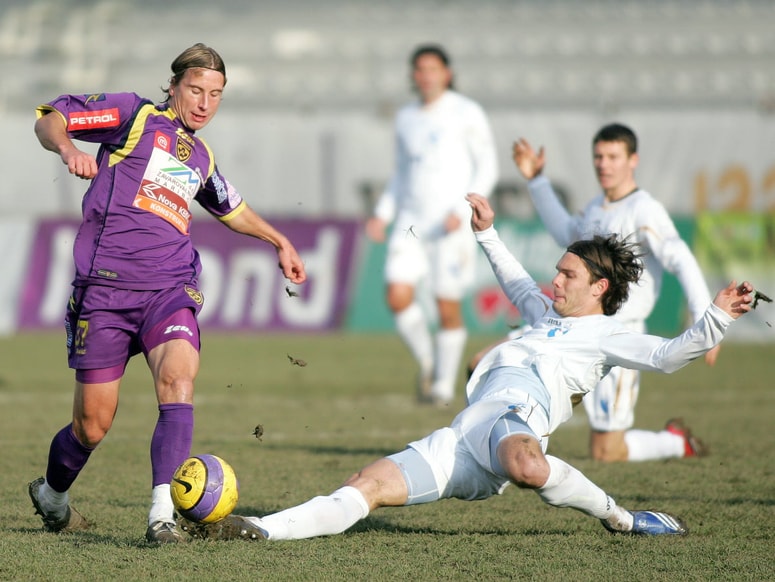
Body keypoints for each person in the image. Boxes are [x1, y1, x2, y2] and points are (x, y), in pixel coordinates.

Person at [177, 193, 754, 542]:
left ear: (600, 287)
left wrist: (717, 318)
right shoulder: (541, 312)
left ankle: (622, 520)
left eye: (567, 276)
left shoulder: (605, 335)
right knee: (366, 486)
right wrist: (487, 232)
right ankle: (256, 528)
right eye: (556, 272)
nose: (554, 282)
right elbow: (515, 278)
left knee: (527, 462)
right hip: (463, 440)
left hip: (512, 423)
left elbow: (665, 355)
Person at [27, 43, 307, 544]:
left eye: (216, 94)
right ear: (174, 86)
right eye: (196, 90)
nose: (204, 103)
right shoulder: (135, 116)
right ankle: (53, 494)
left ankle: (162, 515)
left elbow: (230, 208)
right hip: (105, 292)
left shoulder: (201, 156)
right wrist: (69, 148)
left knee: (178, 380)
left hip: (169, 287)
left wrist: (279, 240)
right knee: (92, 426)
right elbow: (50, 116)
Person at [472, 123, 719, 463]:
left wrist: (708, 318)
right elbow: (564, 232)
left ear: (633, 160)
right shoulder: (594, 208)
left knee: (606, 451)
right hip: (569, 326)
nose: (604, 164)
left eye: (613, 156)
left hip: (614, 337)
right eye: (598, 156)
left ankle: (675, 442)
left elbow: (681, 260)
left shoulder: (644, 209)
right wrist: (537, 181)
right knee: (480, 363)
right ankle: (497, 445)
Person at [365, 44, 498, 406]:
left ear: (447, 73)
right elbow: (402, 173)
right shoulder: (407, 116)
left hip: (450, 224)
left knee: (446, 307)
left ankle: (441, 384)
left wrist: (465, 206)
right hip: (411, 221)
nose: (426, 76)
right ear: (413, 76)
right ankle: (427, 359)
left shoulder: (466, 112)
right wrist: (383, 212)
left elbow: (487, 165)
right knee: (397, 295)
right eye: (420, 69)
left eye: (432, 68)